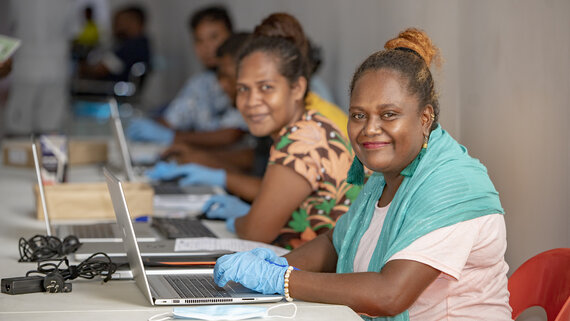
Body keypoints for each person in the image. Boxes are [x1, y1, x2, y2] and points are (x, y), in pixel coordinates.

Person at [211, 28, 512, 320]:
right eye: (358, 115)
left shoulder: (453, 182)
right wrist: (274, 265)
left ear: (425, 117)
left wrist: (282, 280)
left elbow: (389, 294)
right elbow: (335, 243)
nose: (369, 129)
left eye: (388, 114)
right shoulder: (385, 176)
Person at [148, 14, 360, 249]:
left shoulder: (302, 140)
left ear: (297, 87)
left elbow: (255, 232)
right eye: (243, 89)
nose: (251, 101)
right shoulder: (309, 125)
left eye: (266, 88)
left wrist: (240, 220)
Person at [126, 5, 248, 148]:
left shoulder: (246, 79)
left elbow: (233, 134)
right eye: (199, 41)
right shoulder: (200, 83)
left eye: (214, 37)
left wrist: (172, 137)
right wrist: (148, 126)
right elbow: (171, 120)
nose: (207, 47)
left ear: (231, 35)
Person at [79, 5, 150, 83]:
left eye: (118, 21)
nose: (115, 26)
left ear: (133, 21)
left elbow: (101, 70)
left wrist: (82, 67)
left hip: (107, 90)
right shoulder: (140, 44)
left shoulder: (133, 46)